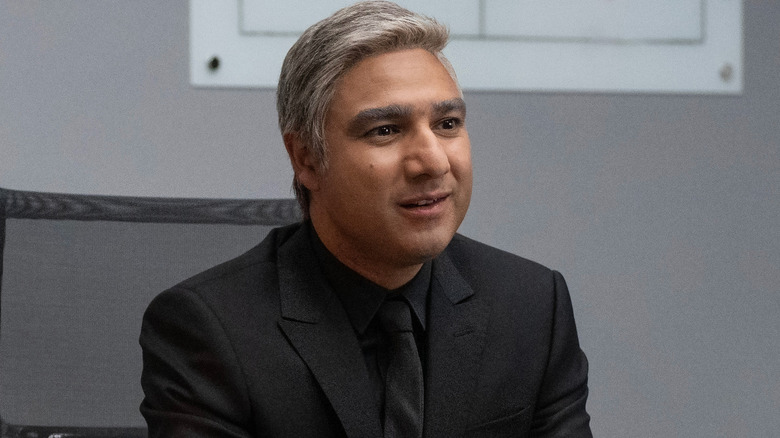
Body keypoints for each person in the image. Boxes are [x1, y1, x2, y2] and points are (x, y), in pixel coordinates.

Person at [139, 1, 592, 437]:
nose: (433, 162)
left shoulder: (533, 307)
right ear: (307, 159)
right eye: (386, 131)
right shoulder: (211, 329)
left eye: (448, 123)